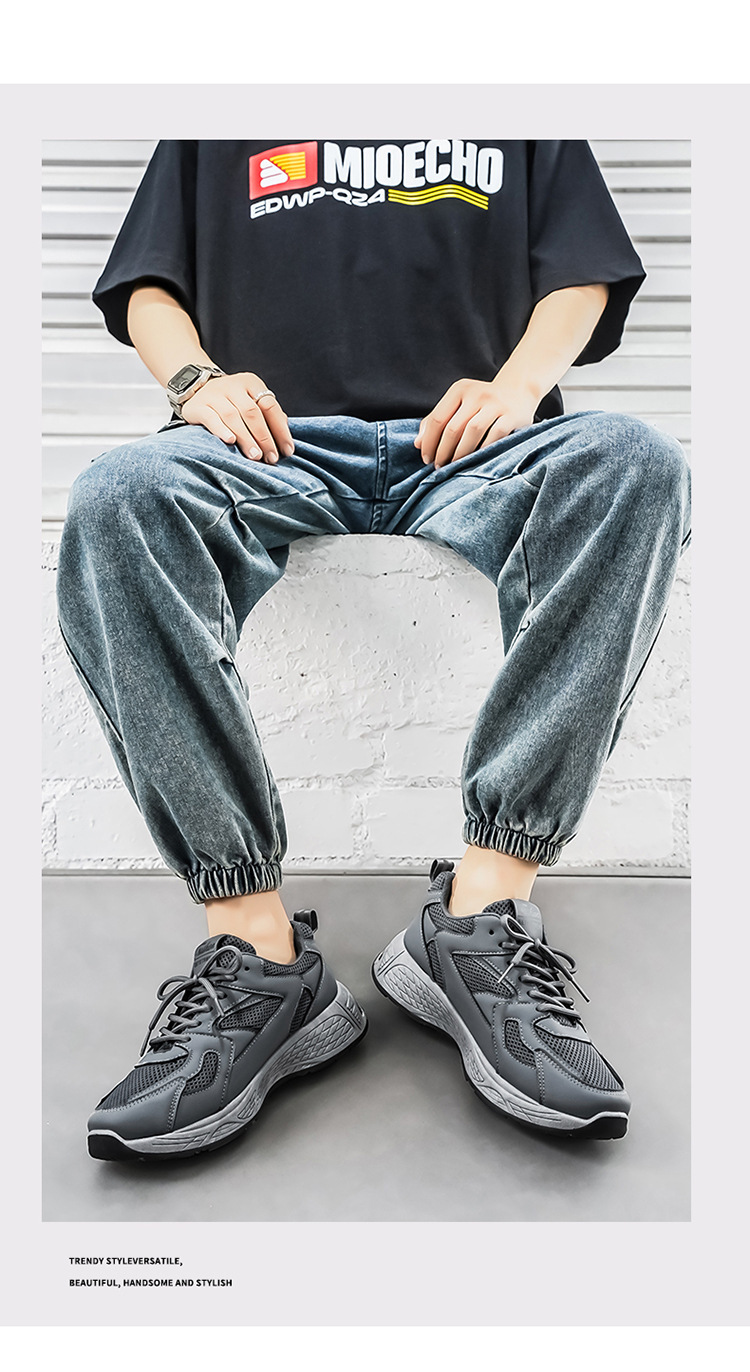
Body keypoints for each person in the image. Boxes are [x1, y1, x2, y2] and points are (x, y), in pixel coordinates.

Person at [56, 139, 690, 1160]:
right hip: (270, 447)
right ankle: (259, 953)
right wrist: (196, 382)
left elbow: (583, 276)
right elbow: (147, 286)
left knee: (636, 464)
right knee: (118, 497)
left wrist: (517, 388)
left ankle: (479, 917)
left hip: (476, 445)